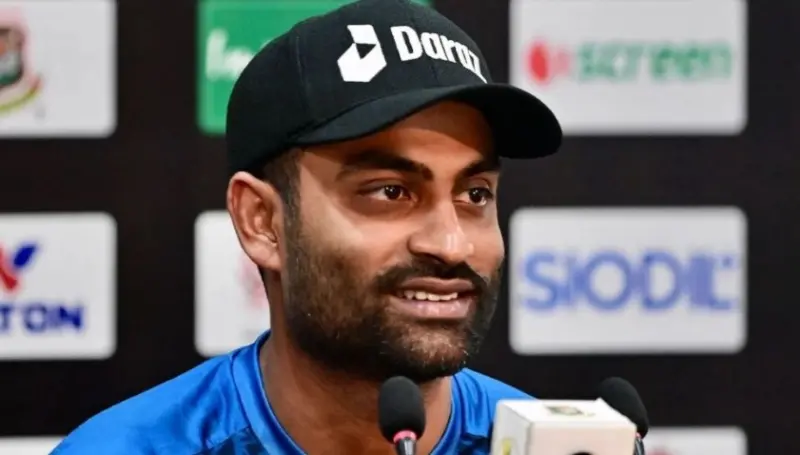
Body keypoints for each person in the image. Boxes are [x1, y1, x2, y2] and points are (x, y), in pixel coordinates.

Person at [52, 0, 562, 453]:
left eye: (475, 195)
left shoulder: (543, 446)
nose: (450, 244)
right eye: (390, 192)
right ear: (261, 221)